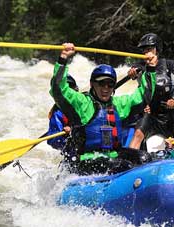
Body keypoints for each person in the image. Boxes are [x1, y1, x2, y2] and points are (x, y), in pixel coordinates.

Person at [50, 42, 157, 175]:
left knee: (144, 158)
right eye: (101, 83)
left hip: (113, 155)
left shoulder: (119, 104)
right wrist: (63, 59)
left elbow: (143, 95)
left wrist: (151, 68)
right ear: (92, 84)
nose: (105, 88)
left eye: (110, 84)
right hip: (86, 159)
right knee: (119, 165)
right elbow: (58, 90)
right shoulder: (82, 103)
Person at [128, 33, 174, 151]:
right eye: (144, 50)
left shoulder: (170, 64)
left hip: (168, 112)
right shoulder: (139, 66)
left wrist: (173, 99)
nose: (146, 53)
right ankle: (131, 158)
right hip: (149, 112)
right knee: (138, 134)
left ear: (157, 50)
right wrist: (132, 74)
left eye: (149, 49)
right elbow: (136, 77)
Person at [47, 74, 79, 150]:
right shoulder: (57, 114)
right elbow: (53, 142)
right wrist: (65, 134)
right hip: (73, 153)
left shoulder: (85, 102)